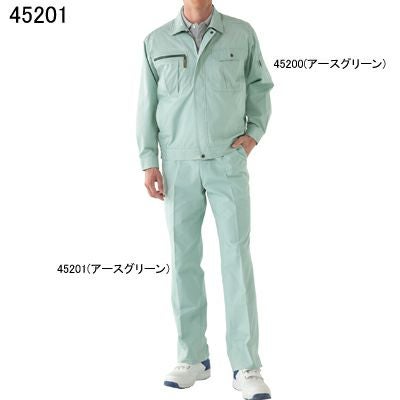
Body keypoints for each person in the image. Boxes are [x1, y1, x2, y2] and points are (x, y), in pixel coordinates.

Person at [136, 1, 274, 399]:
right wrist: (149, 161)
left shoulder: (241, 34)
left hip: (226, 161)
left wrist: (253, 134)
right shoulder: (156, 41)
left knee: (236, 258)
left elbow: (260, 85)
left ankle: (246, 365)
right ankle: (192, 357)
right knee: (183, 260)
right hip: (177, 165)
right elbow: (147, 105)